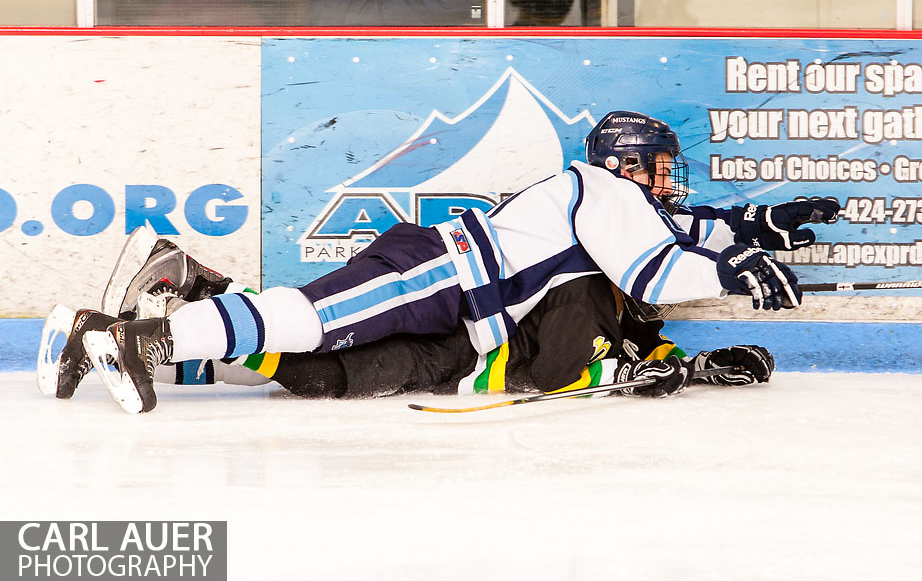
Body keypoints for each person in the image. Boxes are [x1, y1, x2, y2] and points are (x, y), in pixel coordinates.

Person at [70, 110, 839, 412]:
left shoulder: (637, 209)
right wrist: (735, 269)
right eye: (660, 166)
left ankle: (153, 305)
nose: (670, 181)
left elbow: (696, 231)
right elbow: (659, 273)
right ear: (629, 165)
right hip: (442, 268)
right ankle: (145, 340)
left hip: (467, 319)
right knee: (313, 320)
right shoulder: (602, 188)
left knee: (317, 367)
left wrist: (766, 228)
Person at [43, 231, 773, 407]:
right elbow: (554, 368)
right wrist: (623, 371)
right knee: (311, 338)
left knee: (315, 376)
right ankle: (182, 293)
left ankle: (102, 329)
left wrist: (693, 364)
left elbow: (639, 339)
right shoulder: (589, 286)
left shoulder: (614, 298)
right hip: (444, 318)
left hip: (444, 350)